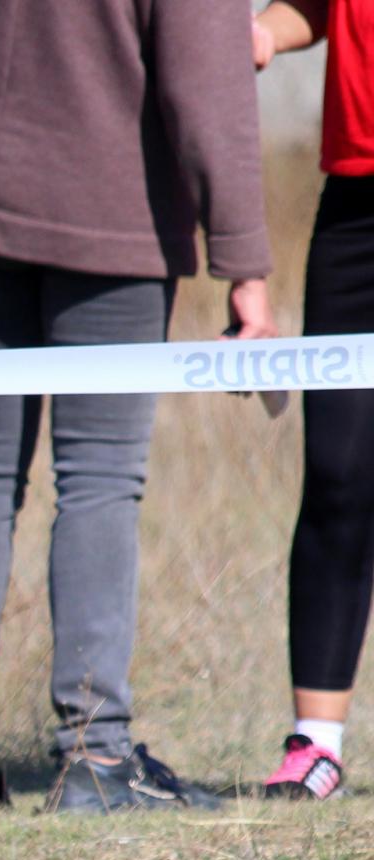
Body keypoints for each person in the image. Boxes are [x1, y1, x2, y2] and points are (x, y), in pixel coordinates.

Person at [0, 0, 277, 815]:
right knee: (99, 478)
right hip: (112, 213)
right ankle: (94, 754)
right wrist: (244, 264)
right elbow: (206, 81)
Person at [253, 1, 370, 799]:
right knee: (337, 472)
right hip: (356, 209)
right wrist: (260, 34)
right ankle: (315, 744)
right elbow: (312, 7)